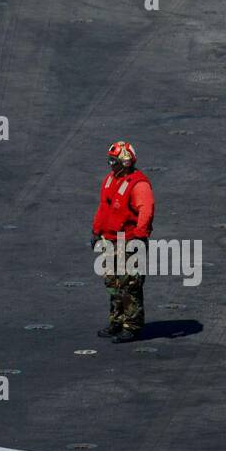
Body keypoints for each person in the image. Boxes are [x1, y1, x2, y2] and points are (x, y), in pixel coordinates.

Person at [91, 140, 154, 343]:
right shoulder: (110, 180)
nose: (110, 164)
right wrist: (96, 231)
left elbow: (146, 209)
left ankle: (132, 326)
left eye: (114, 161)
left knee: (131, 285)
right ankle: (117, 321)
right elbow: (104, 207)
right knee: (113, 283)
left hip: (129, 241)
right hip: (109, 240)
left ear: (125, 161)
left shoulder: (138, 184)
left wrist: (140, 235)